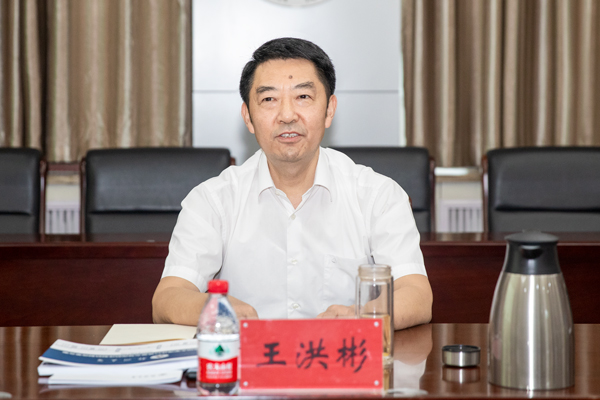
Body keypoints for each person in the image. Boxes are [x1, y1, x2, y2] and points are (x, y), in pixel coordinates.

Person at [152, 37, 432, 330]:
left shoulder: (378, 195)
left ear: (329, 110)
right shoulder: (212, 200)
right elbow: (167, 299)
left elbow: (416, 294)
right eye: (269, 99)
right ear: (248, 117)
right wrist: (215, 310)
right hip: (248, 357)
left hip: (340, 355)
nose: (287, 115)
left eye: (303, 97)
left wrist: (359, 318)